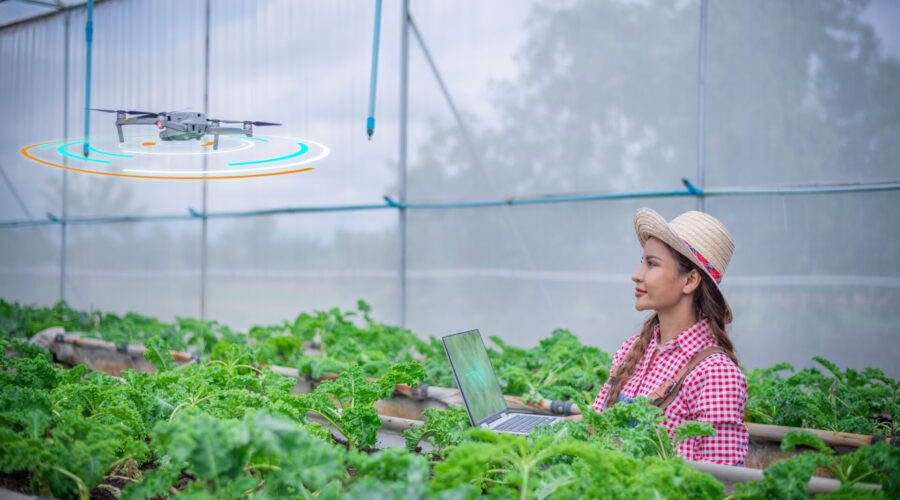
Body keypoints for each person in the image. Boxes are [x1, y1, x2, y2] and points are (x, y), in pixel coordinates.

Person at [569, 207, 749, 465]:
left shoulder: (716, 374)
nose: (637, 274)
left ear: (690, 281)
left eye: (651, 263)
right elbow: (598, 426)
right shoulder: (632, 350)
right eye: (642, 261)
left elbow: (721, 484)